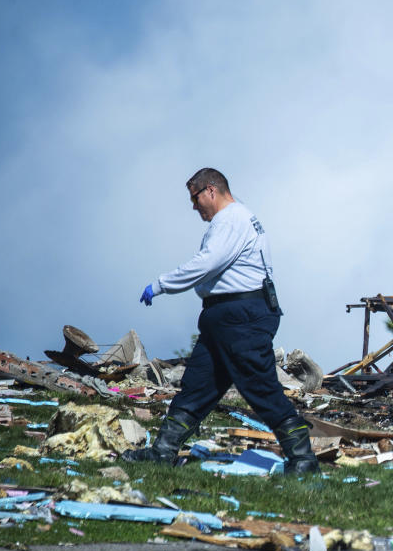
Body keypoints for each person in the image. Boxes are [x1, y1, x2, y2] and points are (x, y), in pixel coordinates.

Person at [123, 168, 318, 474]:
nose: (193, 206)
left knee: (261, 387)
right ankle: (162, 452)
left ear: (211, 191)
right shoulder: (238, 219)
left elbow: (207, 262)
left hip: (241, 317)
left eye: (195, 197)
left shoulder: (230, 219)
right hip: (225, 319)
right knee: (198, 386)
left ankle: (303, 459)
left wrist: (161, 284)